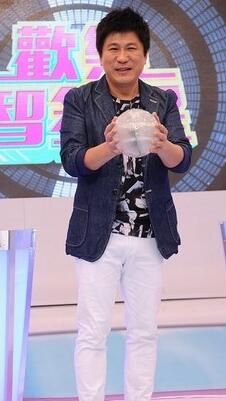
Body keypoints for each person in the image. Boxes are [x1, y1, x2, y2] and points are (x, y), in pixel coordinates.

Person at [60, 8, 192, 401]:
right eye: (113, 48)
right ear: (101, 54)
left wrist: (163, 145)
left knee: (144, 332)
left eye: (131, 48)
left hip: (150, 234)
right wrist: (108, 147)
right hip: (98, 233)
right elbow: (72, 160)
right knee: (92, 331)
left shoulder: (162, 100)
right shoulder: (80, 99)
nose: (122, 57)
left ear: (144, 55)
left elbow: (182, 159)